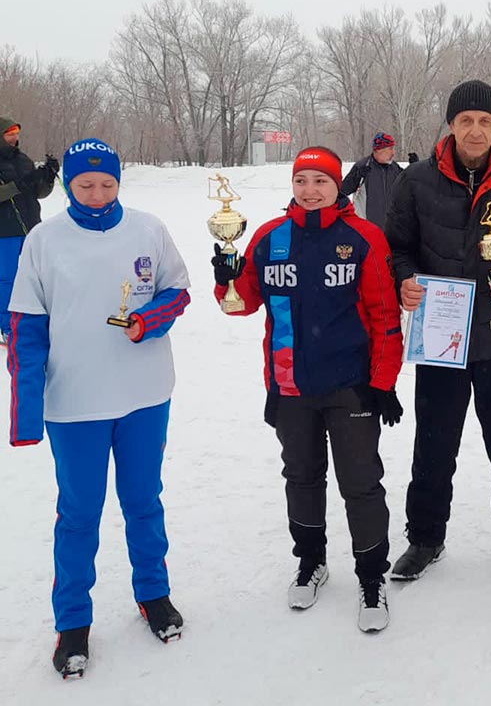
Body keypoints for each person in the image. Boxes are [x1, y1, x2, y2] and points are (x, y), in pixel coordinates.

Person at [6, 138, 191, 678]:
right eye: (84, 185)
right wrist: (26, 412)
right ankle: (72, 622)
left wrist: (148, 320)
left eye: (106, 184)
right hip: (75, 403)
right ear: (67, 185)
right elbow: (26, 329)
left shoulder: (148, 229)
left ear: (118, 183)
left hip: (144, 394)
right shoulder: (43, 239)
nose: (95, 193)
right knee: (79, 513)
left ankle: (153, 593)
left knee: (143, 500)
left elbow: (176, 291)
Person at [211, 146, 403, 633]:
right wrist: (226, 282)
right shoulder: (268, 237)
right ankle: (311, 561)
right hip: (290, 386)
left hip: (351, 386)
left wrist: (383, 383)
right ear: (292, 186)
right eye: (303, 181)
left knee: (360, 483)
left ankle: (370, 576)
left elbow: (384, 316)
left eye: (321, 181)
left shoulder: (363, 237)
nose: (311, 190)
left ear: (338, 186)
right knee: (301, 477)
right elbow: (242, 306)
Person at [385, 79, 491, 589]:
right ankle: (424, 537)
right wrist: (404, 280)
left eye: (485, 121)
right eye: (467, 120)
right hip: (440, 338)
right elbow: (398, 247)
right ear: (451, 125)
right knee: (434, 445)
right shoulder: (416, 181)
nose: (476, 130)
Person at [0, 116, 57, 344]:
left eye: (16, 133)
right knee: (7, 279)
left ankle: (36, 319)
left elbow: (38, 192)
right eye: (9, 133)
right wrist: (17, 186)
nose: (15, 137)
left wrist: (47, 177)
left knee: (37, 276)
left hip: (32, 225)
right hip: (5, 230)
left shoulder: (23, 159)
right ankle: (6, 326)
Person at [340, 132, 404, 228]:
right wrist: (356, 177)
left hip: (391, 228)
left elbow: (408, 185)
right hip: (367, 227)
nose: (393, 153)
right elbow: (343, 191)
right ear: (379, 150)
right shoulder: (363, 166)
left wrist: (414, 168)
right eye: (390, 149)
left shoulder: (394, 167)